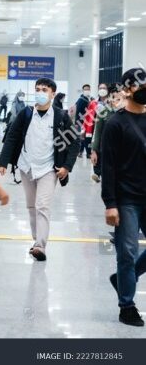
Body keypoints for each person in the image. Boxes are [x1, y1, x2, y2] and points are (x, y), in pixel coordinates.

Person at [0, 78, 79, 261]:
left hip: (49, 169)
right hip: (26, 167)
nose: (40, 93)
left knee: (42, 206)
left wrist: (67, 166)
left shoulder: (60, 116)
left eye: (44, 90)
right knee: (31, 206)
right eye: (37, 89)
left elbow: (75, 142)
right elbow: (12, 137)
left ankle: (40, 245)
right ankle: (36, 241)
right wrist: (3, 161)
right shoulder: (26, 114)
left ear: (53, 94)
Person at [102, 67, 146, 327]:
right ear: (127, 90)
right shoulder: (115, 123)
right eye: (138, 85)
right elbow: (108, 168)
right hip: (126, 200)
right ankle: (127, 305)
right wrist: (111, 204)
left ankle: (122, 279)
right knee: (127, 254)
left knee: (129, 262)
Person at [91, 85, 124, 183]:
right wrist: (94, 150)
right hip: (105, 149)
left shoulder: (127, 113)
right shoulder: (103, 112)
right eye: (113, 97)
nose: (116, 101)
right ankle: (98, 174)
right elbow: (97, 132)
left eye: (119, 98)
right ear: (109, 97)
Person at [75, 83, 92, 157]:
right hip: (81, 122)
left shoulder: (88, 99)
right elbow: (78, 112)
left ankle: (82, 152)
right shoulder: (81, 99)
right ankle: (83, 152)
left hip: (87, 122)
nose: (87, 90)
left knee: (85, 137)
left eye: (88, 89)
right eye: (85, 89)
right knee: (83, 138)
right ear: (83, 90)